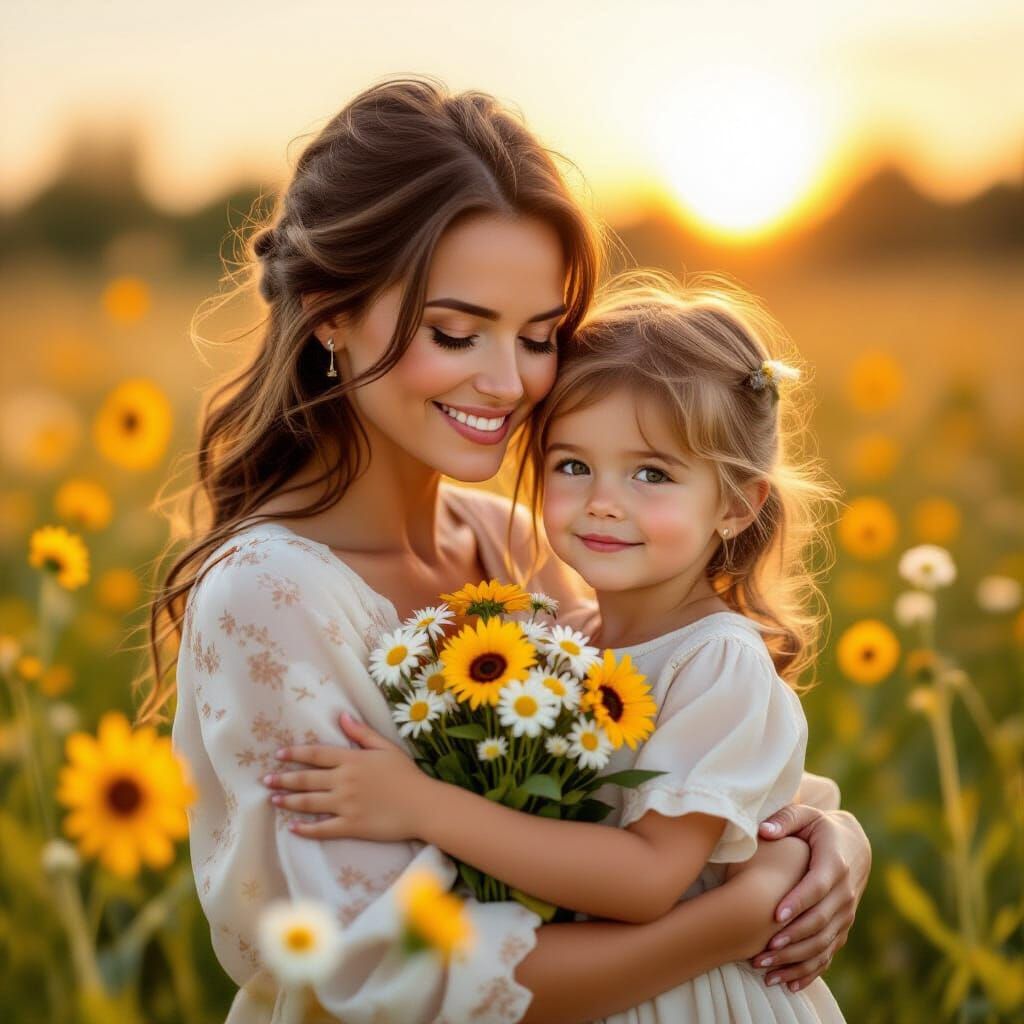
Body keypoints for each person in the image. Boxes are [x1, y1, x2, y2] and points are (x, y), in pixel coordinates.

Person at [143, 77, 871, 1023]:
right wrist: (737, 920)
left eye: (539, 337)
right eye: (455, 332)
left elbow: (696, 778)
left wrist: (829, 842)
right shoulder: (269, 599)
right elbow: (390, 974)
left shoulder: (520, 545)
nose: (507, 382)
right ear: (328, 309)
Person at [265, 273, 849, 1022]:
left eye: (652, 473)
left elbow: (646, 878)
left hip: (688, 999)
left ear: (736, 505)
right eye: (573, 465)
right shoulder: (565, 640)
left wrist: (422, 806)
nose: (604, 500)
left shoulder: (718, 662)